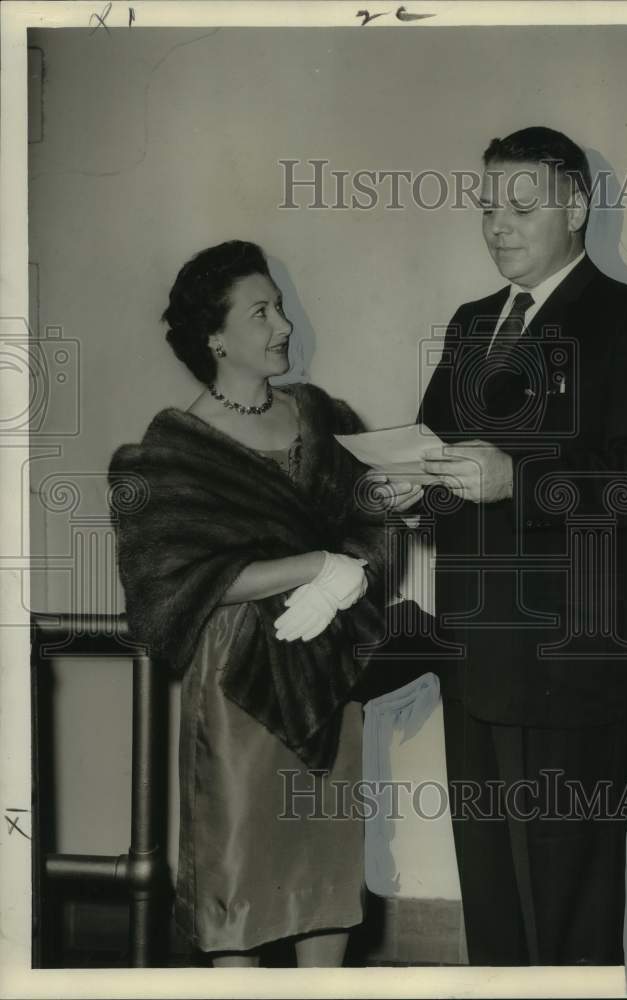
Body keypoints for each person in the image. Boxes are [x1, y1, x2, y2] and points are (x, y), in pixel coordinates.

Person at [377, 127, 627, 965]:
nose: (497, 224)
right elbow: (440, 453)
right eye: (488, 205)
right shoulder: (472, 324)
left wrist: (514, 482)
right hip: (476, 653)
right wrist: (411, 491)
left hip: (576, 665)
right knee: (494, 902)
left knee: (569, 911)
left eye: (520, 205)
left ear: (577, 207)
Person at [108, 240, 394, 967]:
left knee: (325, 878)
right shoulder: (173, 449)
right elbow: (169, 581)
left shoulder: (323, 418)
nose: (283, 325)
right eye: (261, 311)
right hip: (238, 689)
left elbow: (369, 525)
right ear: (214, 336)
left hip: (330, 678)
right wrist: (313, 564)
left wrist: (362, 551)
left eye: (281, 307)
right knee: (239, 879)